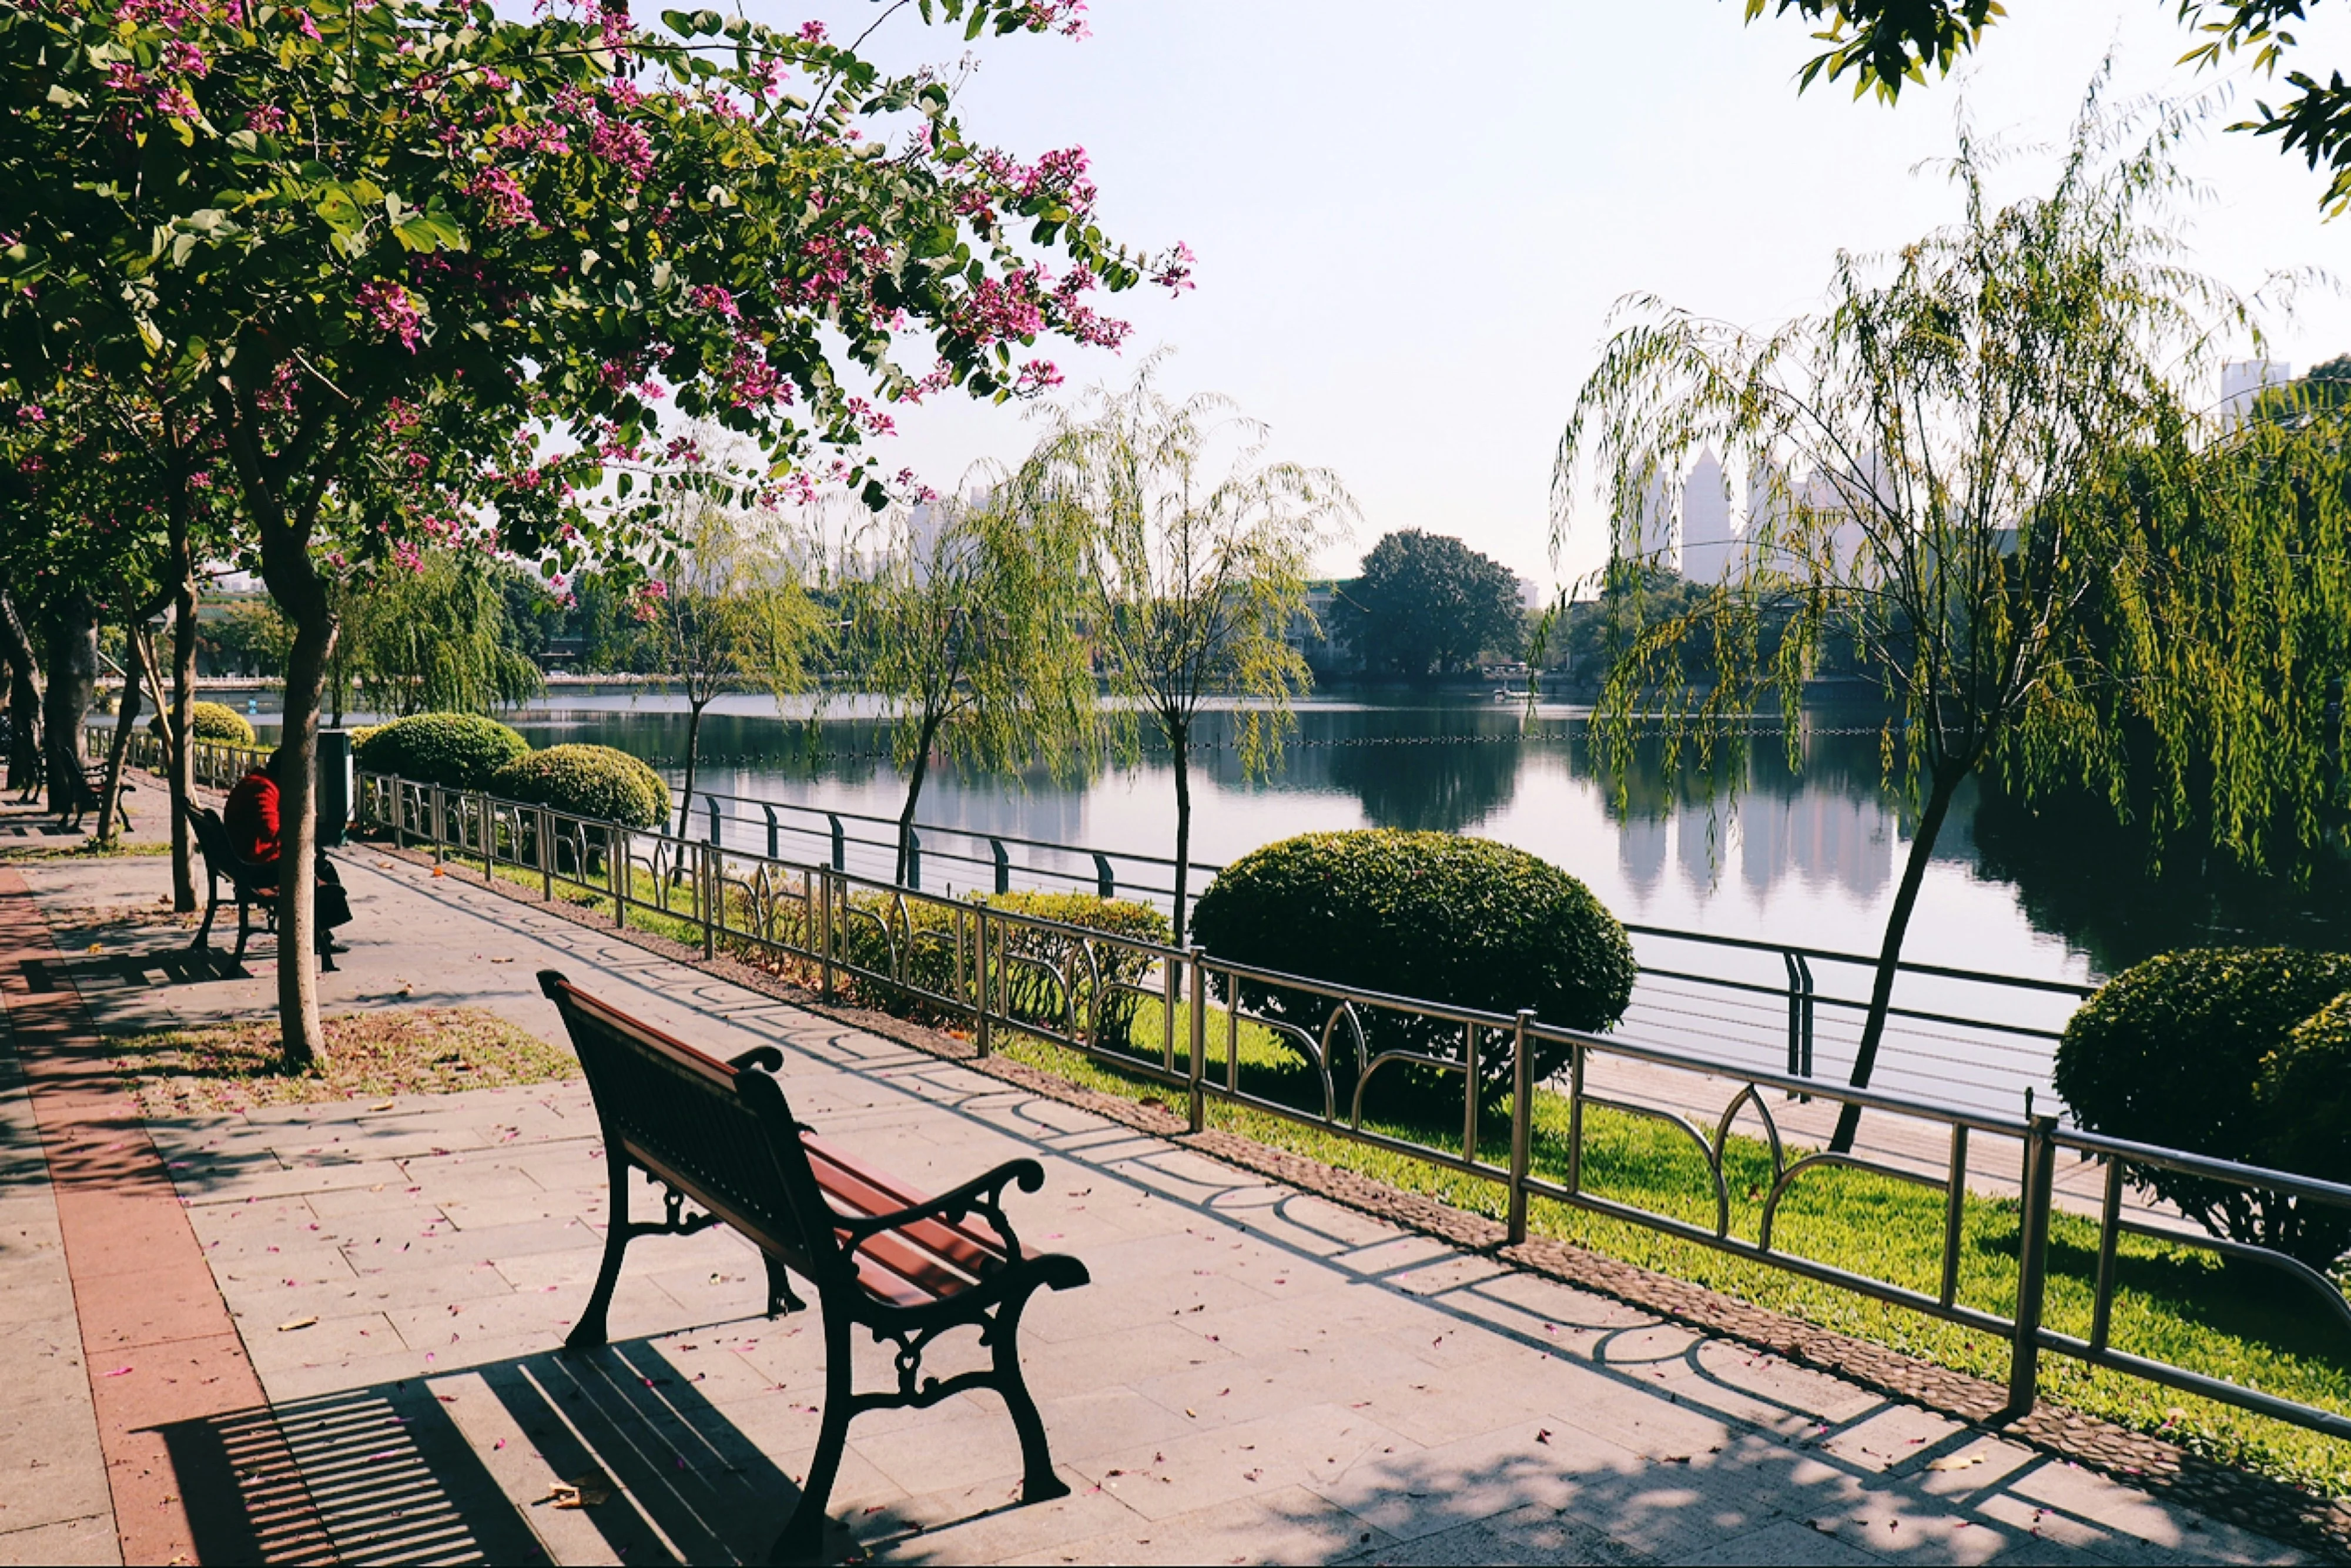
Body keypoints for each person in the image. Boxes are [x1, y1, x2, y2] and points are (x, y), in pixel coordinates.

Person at [225, 746, 353, 959]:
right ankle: (320, 935)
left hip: (245, 861)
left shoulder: (259, 783)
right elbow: (270, 829)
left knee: (320, 863)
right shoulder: (263, 789)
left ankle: (322, 933)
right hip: (258, 867)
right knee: (322, 868)